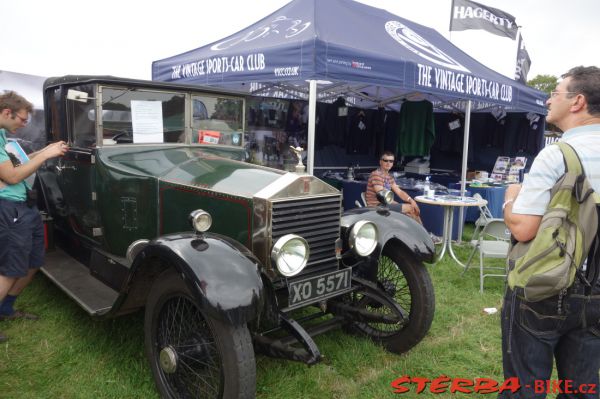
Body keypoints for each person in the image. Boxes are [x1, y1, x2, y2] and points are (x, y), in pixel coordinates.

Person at [501, 66, 600, 398]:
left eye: (555, 93)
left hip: (545, 287)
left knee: (524, 389)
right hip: (598, 289)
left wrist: (510, 200)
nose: (547, 99)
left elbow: (525, 228)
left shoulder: (557, 155)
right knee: (583, 389)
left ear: (577, 101)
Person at [0, 91, 68, 343]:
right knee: (9, 269)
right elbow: (14, 177)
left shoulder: (4, 136)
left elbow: (18, 164)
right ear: (7, 113)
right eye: (23, 119)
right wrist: (45, 156)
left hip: (24, 207)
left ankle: (6, 309)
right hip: (10, 209)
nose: (24, 124)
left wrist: (44, 150)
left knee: (33, 261)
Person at [365, 150, 422, 223]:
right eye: (386, 160)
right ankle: (423, 233)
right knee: (410, 208)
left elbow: (399, 192)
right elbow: (382, 196)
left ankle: (420, 232)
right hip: (377, 207)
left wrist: (411, 200)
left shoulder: (389, 177)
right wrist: (400, 205)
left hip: (385, 205)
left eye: (391, 161)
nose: (388, 163)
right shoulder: (376, 175)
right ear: (380, 162)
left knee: (411, 211)